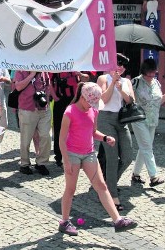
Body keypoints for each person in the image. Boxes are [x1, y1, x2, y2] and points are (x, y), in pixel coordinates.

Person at [57, 82, 138, 236]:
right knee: (70, 189)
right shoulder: (69, 112)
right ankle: (64, 221)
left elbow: (93, 132)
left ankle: (118, 221)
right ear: (82, 97)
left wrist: (105, 137)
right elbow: (61, 140)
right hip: (72, 154)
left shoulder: (93, 111)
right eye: (90, 102)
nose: (92, 105)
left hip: (89, 153)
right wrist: (66, 161)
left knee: (101, 185)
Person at [96, 54, 135, 211]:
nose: (120, 68)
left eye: (123, 66)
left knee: (127, 157)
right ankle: (112, 195)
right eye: (117, 64)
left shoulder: (126, 81)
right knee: (112, 158)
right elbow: (103, 100)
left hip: (121, 119)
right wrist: (113, 84)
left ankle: (107, 184)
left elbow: (131, 101)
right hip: (105, 118)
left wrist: (121, 89)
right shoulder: (103, 79)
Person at [130, 59, 165, 187]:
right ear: (143, 72)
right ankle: (154, 176)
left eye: (153, 73)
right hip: (139, 118)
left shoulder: (157, 83)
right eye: (147, 74)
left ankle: (136, 174)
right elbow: (129, 100)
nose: (150, 76)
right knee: (147, 147)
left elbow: (158, 103)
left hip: (153, 119)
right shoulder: (136, 82)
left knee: (144, 147)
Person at [14, 71, 52, 175]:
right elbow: (18, 87)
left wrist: (47, 101)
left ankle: (41, 163)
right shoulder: (21, 71)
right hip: (27, 109)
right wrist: (32, 75)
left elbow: (48, 86)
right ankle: (24, 164)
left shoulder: (44, 71)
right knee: (26, 139)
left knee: (46, 136)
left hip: (43, 109)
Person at [49, 72, 82, 167]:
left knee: (75, 129)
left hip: (74, 100)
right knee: (59, 128)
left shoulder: (76, 65)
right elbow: (49, 82)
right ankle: (59, 156)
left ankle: (75, 155)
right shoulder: (57, 66)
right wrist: (55, 97)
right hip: (60, 100)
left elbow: (85, 79)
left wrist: (80, 74)